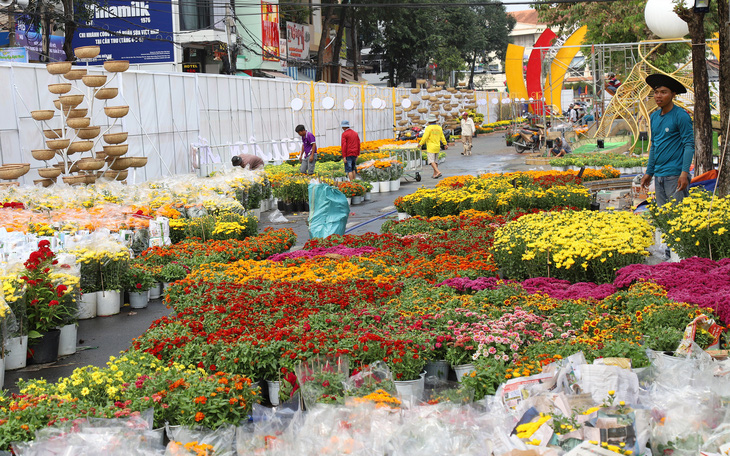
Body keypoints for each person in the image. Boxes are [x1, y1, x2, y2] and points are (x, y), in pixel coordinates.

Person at [640, 73, 694, 209]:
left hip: (675, 175)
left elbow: (689, 145)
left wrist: (684, 173)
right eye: (656, 92)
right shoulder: (654, 117)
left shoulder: (681, 116)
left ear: (673, 94)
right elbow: (654, 145)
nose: (658, 96)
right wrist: (649, 172)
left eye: (663, 92)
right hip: (659, 175)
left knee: (677, 217)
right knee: (663, 216)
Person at [419, 114, 448, 178]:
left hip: (431, 147)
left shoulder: (428, 128)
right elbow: (442, 137)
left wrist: (420, 144)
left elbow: (425, 137)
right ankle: (435, 174)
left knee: (431, 161)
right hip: (437, 146)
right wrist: (445, 144)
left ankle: (438, 171)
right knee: (435, 161)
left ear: (429, 121)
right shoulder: (439, 128)